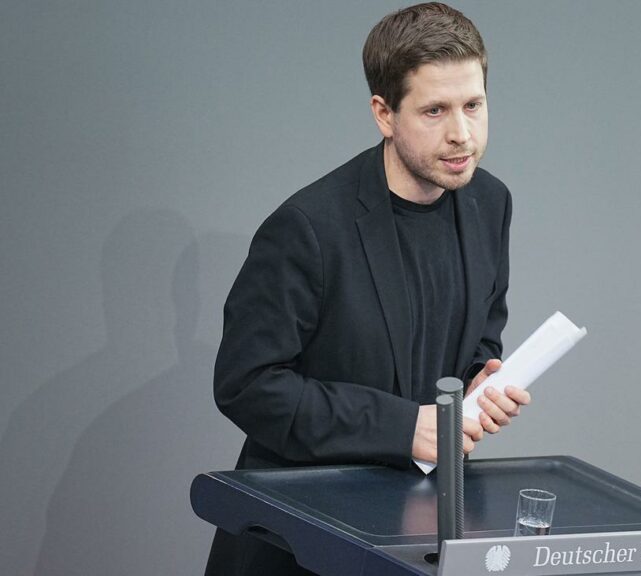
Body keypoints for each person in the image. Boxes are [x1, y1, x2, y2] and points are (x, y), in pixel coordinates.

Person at [204, 4, 529, 574]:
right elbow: (248, 385)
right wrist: (406, 427)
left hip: (415, 532)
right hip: (299, 541)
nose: (462, 134)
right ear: (384, 113)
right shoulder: (307, 228)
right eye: (435, 111)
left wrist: (477, 393)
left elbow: (480, 337)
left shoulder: (489, 203)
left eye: (473, 105)